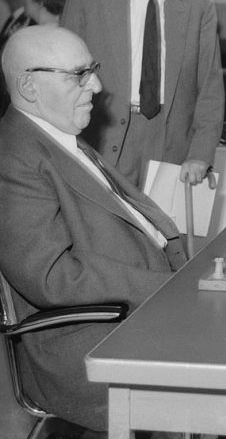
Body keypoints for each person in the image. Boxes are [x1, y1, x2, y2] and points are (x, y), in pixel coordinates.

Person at [0, 25, 186, 434]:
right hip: (88, 338)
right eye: (78, 74)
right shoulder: (13, 157)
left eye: (93, 70)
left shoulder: (59, 136)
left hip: (131, 311)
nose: (97, 86)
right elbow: (51, 276)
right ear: (29, 85)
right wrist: (163, 288)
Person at [61, 0, 224, 188]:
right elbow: (63, 78)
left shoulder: (198, 4)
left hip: (171, 141)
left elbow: (209, 88)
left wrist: (200, 154)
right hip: (102, 133)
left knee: (161, 231)